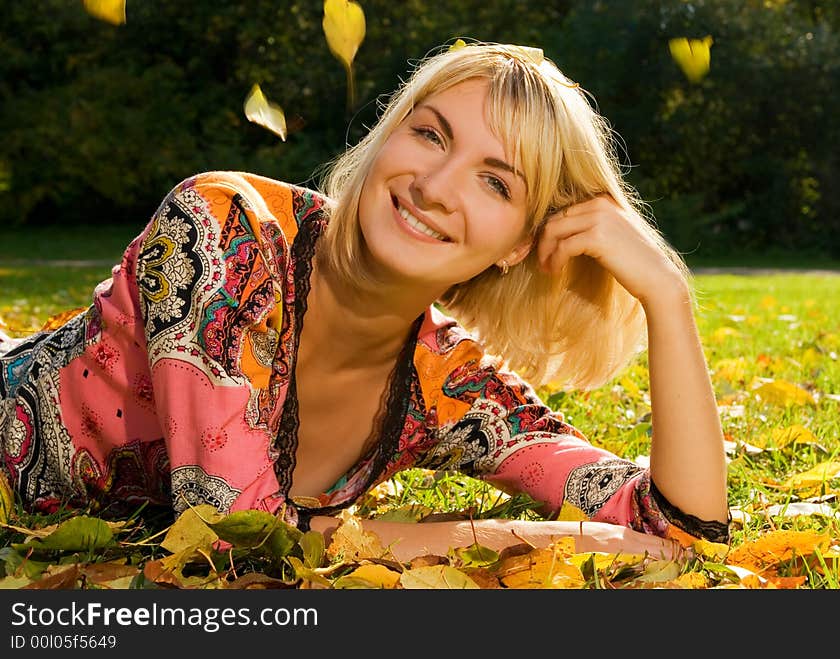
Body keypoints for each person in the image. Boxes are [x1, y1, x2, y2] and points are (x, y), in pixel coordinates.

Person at [0, 41, 729, 564]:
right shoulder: (224, 228)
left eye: (495, 182)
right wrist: (508, 536)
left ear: (518, 245)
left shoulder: (444, 382)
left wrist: (668, 296)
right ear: (388, 137)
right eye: (429, 134)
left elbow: (678, 528)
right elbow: (233, 538)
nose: (437, 185)